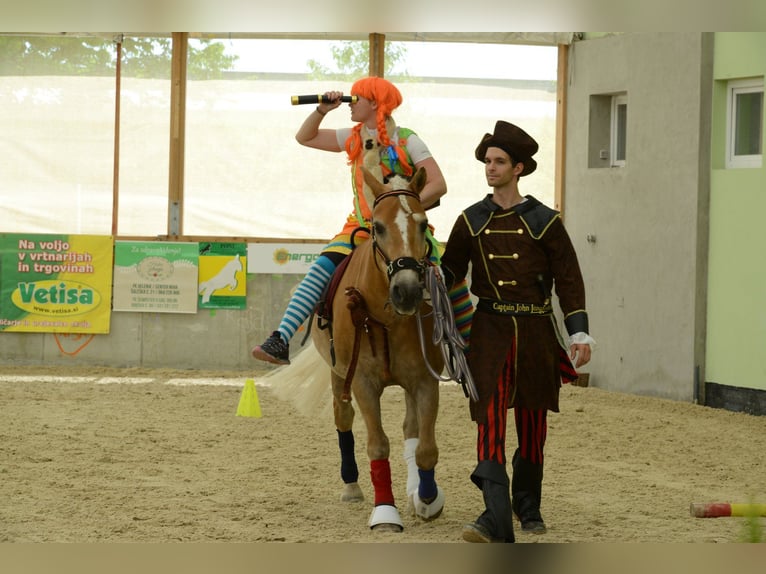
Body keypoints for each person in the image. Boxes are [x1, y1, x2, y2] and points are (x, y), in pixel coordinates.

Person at [439, 120, 596, 543]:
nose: (490, 168)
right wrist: (421, 264)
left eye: (499, 161)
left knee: (532, 423)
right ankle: (494, 513)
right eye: (487, 161)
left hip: (535, 333)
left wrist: (579, 333)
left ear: (519, 168)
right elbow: (449, 272)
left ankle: (528, 504)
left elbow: (569, 279)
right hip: (488, 333)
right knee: (488, 419)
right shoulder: (470, 220)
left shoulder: (545, 221)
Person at [252, 77, 473, 365]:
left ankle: (469, 346)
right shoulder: (352, 136)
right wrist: (321, 110)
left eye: (356, 98)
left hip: (403, 229)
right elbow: (304, 137)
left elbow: (438, 184)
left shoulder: (408, 140)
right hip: (359, 227)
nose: (350, 104)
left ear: (374, 103)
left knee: (450, 277)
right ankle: (281, 338)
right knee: (320, 270)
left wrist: (406, 209)